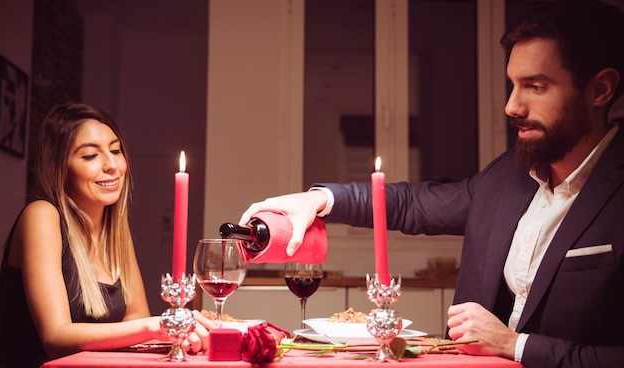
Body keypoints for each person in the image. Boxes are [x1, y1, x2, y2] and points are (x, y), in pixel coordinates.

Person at [238, 1, 624, 367]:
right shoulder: (508, 176)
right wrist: (321, 200)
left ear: (600, 90)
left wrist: (513, 345)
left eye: (536, 87)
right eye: (512, 84)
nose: (512, 106)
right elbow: (412, 204)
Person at [0, 103, 211, 367]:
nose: (112, 165)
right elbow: (56, 337)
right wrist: (160, 325)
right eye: (90, 156)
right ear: (60, 167)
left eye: (115, 150)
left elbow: (136, 318)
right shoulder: (41, 215)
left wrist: (166, 330)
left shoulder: (114, 232)